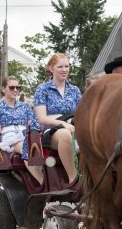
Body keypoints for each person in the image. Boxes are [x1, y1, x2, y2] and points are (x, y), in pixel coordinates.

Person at [34, 53, 82, 189]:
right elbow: (42, 118)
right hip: (50, 128)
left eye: (67, 66)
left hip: (73, 124)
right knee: (65, 134)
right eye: (60, 66)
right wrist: (63, 124)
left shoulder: (75, 90)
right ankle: (73, 179)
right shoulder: (42, 89)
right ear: (51, 68)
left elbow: (81, 113)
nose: (64, 69)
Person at [0, 76, 43, 186]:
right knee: (27, 148)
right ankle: (42, 182)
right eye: (12, 87)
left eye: (18, 87)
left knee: (41, 145)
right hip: (9, 136)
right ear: (3, 89)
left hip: (25, 133)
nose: (15, 90)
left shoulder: (25, 106)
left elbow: (32, 122)